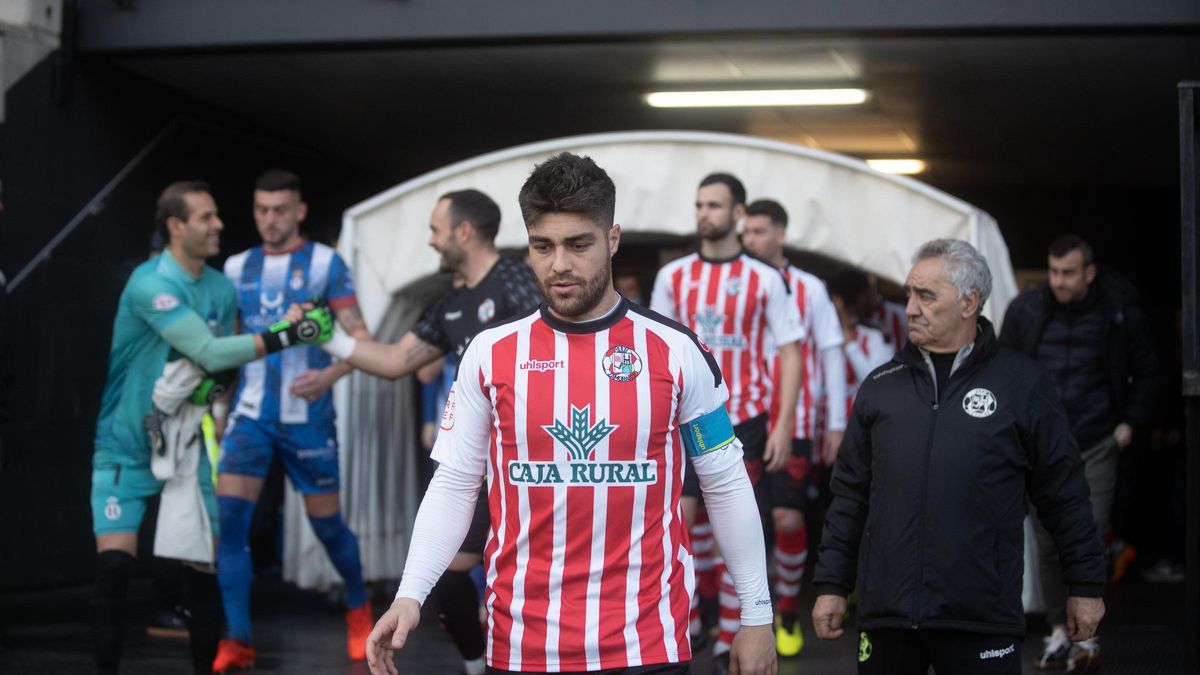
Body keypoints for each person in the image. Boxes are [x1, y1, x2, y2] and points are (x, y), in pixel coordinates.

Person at [363, 152, 777, 675]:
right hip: (521, 646)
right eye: (543, 246)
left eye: (578, 244)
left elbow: (726, 483)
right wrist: (409, 594)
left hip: (647, 644)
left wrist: (756, 616)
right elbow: (454, 484)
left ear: (612, 239)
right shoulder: (490, 354)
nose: (560, 263)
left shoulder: (678, 351)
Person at [812, 238, 1107, 675]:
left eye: (926, 295)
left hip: (981, 619)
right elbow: (850, 496)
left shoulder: (1021, 385)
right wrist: (832, 584)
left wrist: (1084, 585)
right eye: (910, 293)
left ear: (970, 302)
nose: (910, 307)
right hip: (888, 616)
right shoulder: (881, 386)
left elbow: (1064, 494)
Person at [90, 180, 332, 675]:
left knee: (204, 572)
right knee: (114, 569)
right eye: (206, 217)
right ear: (177, 227)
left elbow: (221, 368)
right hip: (125, 446)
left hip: (186, 448)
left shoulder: (221, 288)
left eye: (217, 214)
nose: (219, 224)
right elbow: (208, 350)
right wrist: (287, 335)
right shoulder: (149, 284)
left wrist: (215, 390)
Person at [319, 188, 541, 675]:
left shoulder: (517, 282)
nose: (431, 242)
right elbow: (397, 359)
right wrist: (328, 337)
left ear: (464, 232)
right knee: (444, 575)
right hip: (477, 466)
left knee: (529, 577)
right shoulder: (453, 304)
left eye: (435, 231)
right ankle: (477, 663)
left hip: (532, 463)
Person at [209, 170, 374, 670]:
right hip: (251, 417)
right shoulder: (238, 267)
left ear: (299, 210)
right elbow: (229, 348)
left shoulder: (327, 262)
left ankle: (358, 606)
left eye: (280, 210)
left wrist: (331, 376)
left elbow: (360, 337)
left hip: (309, 418)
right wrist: (220, 407)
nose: (269, 220)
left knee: (327, 529)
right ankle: (237, 639)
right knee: (230, 525)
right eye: (261, 210)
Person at [650, 174, 803, 670]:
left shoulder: (765, 277)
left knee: (735, 525)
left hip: (746, 419)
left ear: (738, 213)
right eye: (698, 204)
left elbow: (790, 352)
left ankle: (732, 636)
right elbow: (655, 348)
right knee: (679, 524)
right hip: (683, 419)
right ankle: (687, 626)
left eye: (714, 205)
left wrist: (782, 427)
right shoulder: (674, 276)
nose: (703, 213)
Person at [999, 233, 1157, 672]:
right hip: (1040, 444)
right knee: (1047, 544)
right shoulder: (1026, 310)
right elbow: (1004, 369)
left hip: (1096, 441)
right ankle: (1057, 632)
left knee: (1088, 532)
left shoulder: (1120, 311)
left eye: (1068, 272)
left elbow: (1147, 369)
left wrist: (1130, 423)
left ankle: (1088, 635)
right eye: (1053, 272)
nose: (1058, 281)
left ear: (1089, 272)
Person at [739, 198, 846, 657]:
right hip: (743, 419)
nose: (751, 240)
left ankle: (786, 611)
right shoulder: (733, 283)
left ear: (781, 234)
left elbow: (831, 351)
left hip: (797, 421)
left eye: (760, 232)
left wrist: (838, 422)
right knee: (743, 521)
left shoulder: (810, 288)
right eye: (747, 232)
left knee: (787, 516)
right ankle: (740, 614)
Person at [826, 269, 894, 419]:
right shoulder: (822, 335)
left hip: (862, 425)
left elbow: (877, 383)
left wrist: (851, 346)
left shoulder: (876, 335)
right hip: (824, 426)